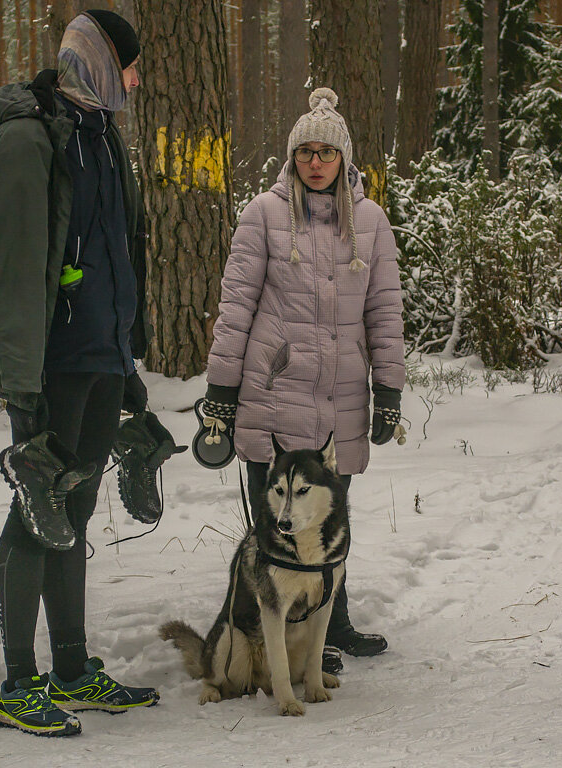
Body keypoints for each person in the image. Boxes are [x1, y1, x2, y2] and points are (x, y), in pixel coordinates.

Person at [0, 11, 180, 737]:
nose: (135, 79)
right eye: (129, 64)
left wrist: (129, 360)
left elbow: (119, 254)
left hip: (98, 356)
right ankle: (17, 685)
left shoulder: (102, 139)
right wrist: (19, 378)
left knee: (73, 512)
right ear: (99, 60)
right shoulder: (26, 140)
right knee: (36, 510)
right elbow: (5, 263)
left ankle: (71, 669)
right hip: (48, 364)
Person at [199, 87, 406, 675]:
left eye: (327, 152)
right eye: (307, 151)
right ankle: (266, 636)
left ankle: (328, 625)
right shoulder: (263, 215)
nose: (317, 161)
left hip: (338, 402)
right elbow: (236, 306)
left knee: (331, 517)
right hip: (273, 397)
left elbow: (385, 313)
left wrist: (388, 389)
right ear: (293, 158)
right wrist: (221, 393)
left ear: (344, 160)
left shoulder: (369, 221)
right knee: (274, 527)